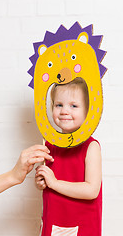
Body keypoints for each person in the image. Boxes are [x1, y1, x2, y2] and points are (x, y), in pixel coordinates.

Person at [35, 78, 102, 236]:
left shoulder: (91, 147)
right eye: (59, 105)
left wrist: (54, 183)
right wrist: (41, 182)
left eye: (73, 105)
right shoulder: (49, 145)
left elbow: (91, 190)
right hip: (53, 220)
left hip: (81, 224)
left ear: (88, 110)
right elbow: (49, 183)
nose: (64, 111)